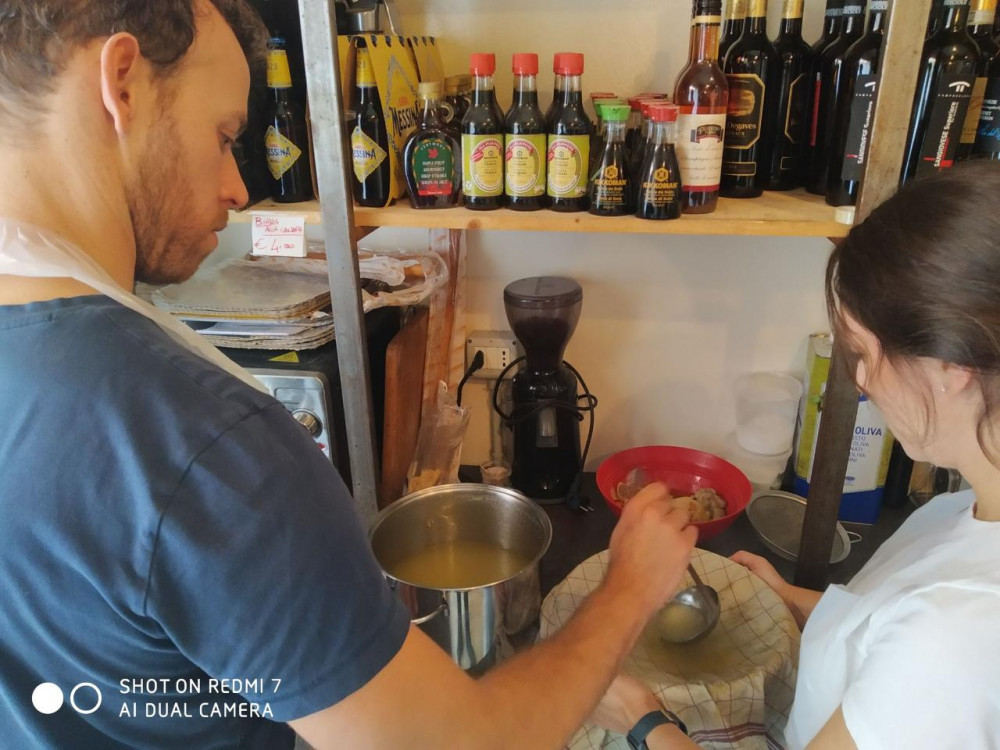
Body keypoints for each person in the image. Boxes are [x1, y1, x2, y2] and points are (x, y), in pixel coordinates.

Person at [0, 2, 700, 748]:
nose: (239, 187)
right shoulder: (203, 444)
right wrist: (629, 589)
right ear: (124, 83)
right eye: (225, 136)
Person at [591, 161, 1000, 749]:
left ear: (950, 366)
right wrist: (791, 600)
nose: (859, 384)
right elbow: (889, 628)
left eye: (863, 353)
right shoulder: (970, 504)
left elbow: (928, 653)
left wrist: (644, 719)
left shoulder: (956, 642)